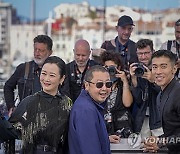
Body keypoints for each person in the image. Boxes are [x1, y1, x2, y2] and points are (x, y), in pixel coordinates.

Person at [9, 56, 72, 153]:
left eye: (52, 75)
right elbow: (11, 132)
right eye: (44, 73)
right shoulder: (29, 102)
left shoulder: (67, 103)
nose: (46, 79)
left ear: (62, 79)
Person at [4, 35, 53, 117]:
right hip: (24, 117)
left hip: (47, 117)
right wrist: (11, 107)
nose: (37, 53)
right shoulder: (23, 68)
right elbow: (8, 86)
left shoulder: (56, 70)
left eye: (41, 50)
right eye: (35, 49)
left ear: (50, 52)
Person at [68, 65, 112, 154]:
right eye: (99, 84)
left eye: (108, 84)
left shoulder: (90, 105)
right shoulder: (86, 110)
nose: (104, 88)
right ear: (87, 85)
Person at [143, 50, 180, 153]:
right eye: (155, 67)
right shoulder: (161, 93)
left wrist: (162, 142)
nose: (158, 71)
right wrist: (158, 139)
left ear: (174, 69)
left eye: (163, 66)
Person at [129, 39, 163, 139]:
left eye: (146, 53)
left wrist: (154, 81)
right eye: (140, 54)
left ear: (153, 51)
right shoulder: (138, 70)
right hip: (143, 118)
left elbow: (167, 94)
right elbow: (139, 100)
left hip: (160, 118)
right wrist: (134, 79)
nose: (143, 57)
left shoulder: (161, 69)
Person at [100, 51, 133, 143]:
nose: (110, 71)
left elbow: (127, 103)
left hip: (123, 128)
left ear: (118, 68)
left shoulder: (123, 84)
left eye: (112, 67)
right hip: (106, 128)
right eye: (106, 68)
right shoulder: (99, 85)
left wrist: (125, 81)